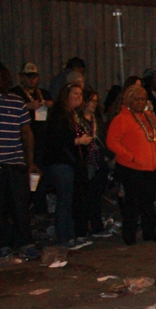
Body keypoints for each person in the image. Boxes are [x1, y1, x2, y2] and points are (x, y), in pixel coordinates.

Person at [0, 59, 41, 259]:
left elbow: (27, 134)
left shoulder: (16, 102)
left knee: (20, 206)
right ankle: (2, 244)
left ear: (3, 77)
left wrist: (30, 161)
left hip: (15, 163)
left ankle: (25, 242)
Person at [106, 85, 156, 245]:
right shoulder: (121, 119)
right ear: (129, 100)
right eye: (136, 99)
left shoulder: (150, 117)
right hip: (131, 167)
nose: (140, 102)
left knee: (148, 202)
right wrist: (130, 156)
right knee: (132, 203)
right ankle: (129, 235)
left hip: (151, 167)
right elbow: (111, 142)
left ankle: (149, 232)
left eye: (142, 99)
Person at [44, 82, 90, 248]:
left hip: (68, 162)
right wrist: (78, 140)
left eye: (80, 94)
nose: (78, 97)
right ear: (66, 96)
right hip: (60, 163)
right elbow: (55, 139)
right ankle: (64, 237)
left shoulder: (73, 114)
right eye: (74, 94)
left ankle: (69, 235)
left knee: (68, 200)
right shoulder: (59, 113)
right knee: (64, 200)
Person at [10, 62, 52, 214]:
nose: (32, 80)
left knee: (39, 177)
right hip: (23, 142)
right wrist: (26, 106)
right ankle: (26, 207)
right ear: (22, 77)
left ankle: (40, 208)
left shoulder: (44, 93)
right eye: (28, 76)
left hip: (41, 141)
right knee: (26, 177)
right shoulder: (15, 94)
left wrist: (50, 105)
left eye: (34, 76)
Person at [79, 86, 110, 236]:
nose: (94, 104)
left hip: (99, 161)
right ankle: (85, 225)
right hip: (85, 161)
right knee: (86, 195)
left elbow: (104, 139)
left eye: (96, 101)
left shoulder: (97, 120)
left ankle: (96, 225)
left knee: (96, 194)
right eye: (91, 101)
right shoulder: (78, 120)